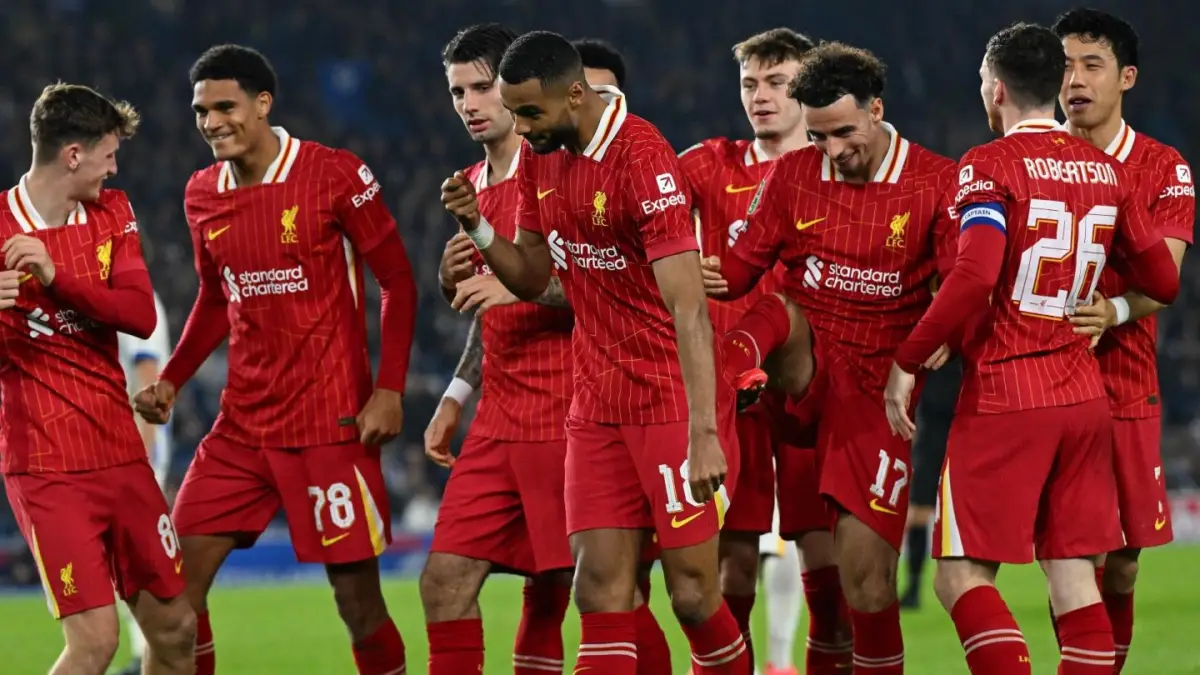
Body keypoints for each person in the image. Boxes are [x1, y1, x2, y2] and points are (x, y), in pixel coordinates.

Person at [442, 31, 749, 674]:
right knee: (599, 589)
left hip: (669, 398)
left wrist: (704, 432)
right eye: (514, 112)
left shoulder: (643, 158)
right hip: (596, 404)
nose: (519, 129)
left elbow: (689, 307)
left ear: (575, 94)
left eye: (530, 113)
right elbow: (527, 275)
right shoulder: (539, 156)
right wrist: (477, 224)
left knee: (693, 595)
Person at [884, 21, 1180, 674]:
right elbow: (1163, 279)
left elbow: (976, 272)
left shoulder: (987, 165)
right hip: (1085, 396)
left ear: (995, 91)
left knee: (960, 576)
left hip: (1006, 396)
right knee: (1074, 576)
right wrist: (1111, 302)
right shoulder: (1107, 169)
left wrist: (908, 358)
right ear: (1054, 87)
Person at [132, 44, 417, 675]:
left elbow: (397, 279)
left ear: (263, 104)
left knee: (358, 606)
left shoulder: (332, 174)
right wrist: (174, 380)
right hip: (241, 431)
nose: (210, 122)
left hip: (331, 425)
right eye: (200, 110)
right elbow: (213, 297)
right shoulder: (201, 193)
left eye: (224, 106)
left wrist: (389, 388)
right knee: (170, 594)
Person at [706, 41, 959, 674]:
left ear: (877, 109)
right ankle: (724, 385)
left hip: (878, 396)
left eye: (844, 132)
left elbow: (959, 288)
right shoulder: (794, 173)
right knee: (780, 309)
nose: (832, 150)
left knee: (865, 586)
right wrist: (693, 269)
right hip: (804, 364)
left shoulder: (935, 180)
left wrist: (927, 348)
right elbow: (741, 273)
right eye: (817, 136)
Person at [0, 83, 195, 675]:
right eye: (109, 154)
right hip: (48, 465)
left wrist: (56, 276)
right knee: (94, 645)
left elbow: (138, 313)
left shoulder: (113, 212)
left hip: (120, 452)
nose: (115, 167)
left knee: (177, 630)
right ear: (73, 155)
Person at [679, 27, 848, 675]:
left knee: (827, 567)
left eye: (777, 83)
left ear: (806, 88)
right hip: (737, 388)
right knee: (734, 561)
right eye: (751, 84)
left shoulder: (838, 167)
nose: (761, 96)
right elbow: (645, 213)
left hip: (813, 391)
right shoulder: (706, 164)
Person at [421, 23, 577, 674]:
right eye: (458, 91)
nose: (469, 104)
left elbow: (597, 280)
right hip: (498, 418)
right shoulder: (468, 183)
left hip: (566, 408)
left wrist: (516, 286)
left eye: (481, 87)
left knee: (559, 593)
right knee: (444, 581)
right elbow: (478, 304)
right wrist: (458, 393)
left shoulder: (561, 168)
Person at [1053, 9, 1194, 671]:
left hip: (1126, 387)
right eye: (1064, 66)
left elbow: (1166, 272)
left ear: (1126, 77)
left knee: (1123, 566)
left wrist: (1112, 308)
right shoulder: (1033, 154)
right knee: (1071, 558)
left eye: (1091, 65)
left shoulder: (1162, 166)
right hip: (1045, 386)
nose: (1074, 80)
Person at [115, 289, 175, 675]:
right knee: (121, 566)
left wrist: (141, 460)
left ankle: (151, 656)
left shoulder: (138, 300)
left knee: (135, 564)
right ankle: (147, 654)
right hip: (119, 453)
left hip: (135, 453)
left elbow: (147, 378)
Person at [899, 354, 960, 610]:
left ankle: (920, 587)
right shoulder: (936, 344)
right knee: (920, 513)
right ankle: (913, 587)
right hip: (933, 433)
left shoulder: (959, 345)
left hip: (956, 430)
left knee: (935, 513)